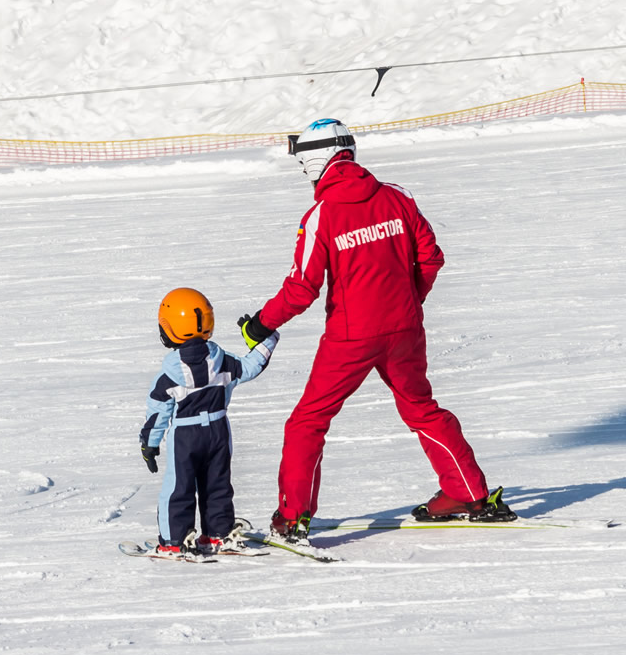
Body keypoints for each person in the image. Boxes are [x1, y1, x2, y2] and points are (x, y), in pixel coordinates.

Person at [238, 118, 515, 544]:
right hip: (405, 328)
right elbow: (431, 258)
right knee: (421, 408)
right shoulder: (396, 197)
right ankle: (468, 493)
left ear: (316, 160)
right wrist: (406, 302)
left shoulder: (321, 215)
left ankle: (293, 519)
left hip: (351, 338)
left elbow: (301, 289)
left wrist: (260, 324)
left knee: (307, 422)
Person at [139, 287, 279, 556]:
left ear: (169, 329)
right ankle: (217, 534)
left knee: (179, 487)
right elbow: (251, 366)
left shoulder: (170, 373)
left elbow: (158, 410)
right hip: (218, 432)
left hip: (185, 437)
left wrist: (150, 443)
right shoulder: (222, 360)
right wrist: (267, 338)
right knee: (218, 483)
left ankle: (173, 541)